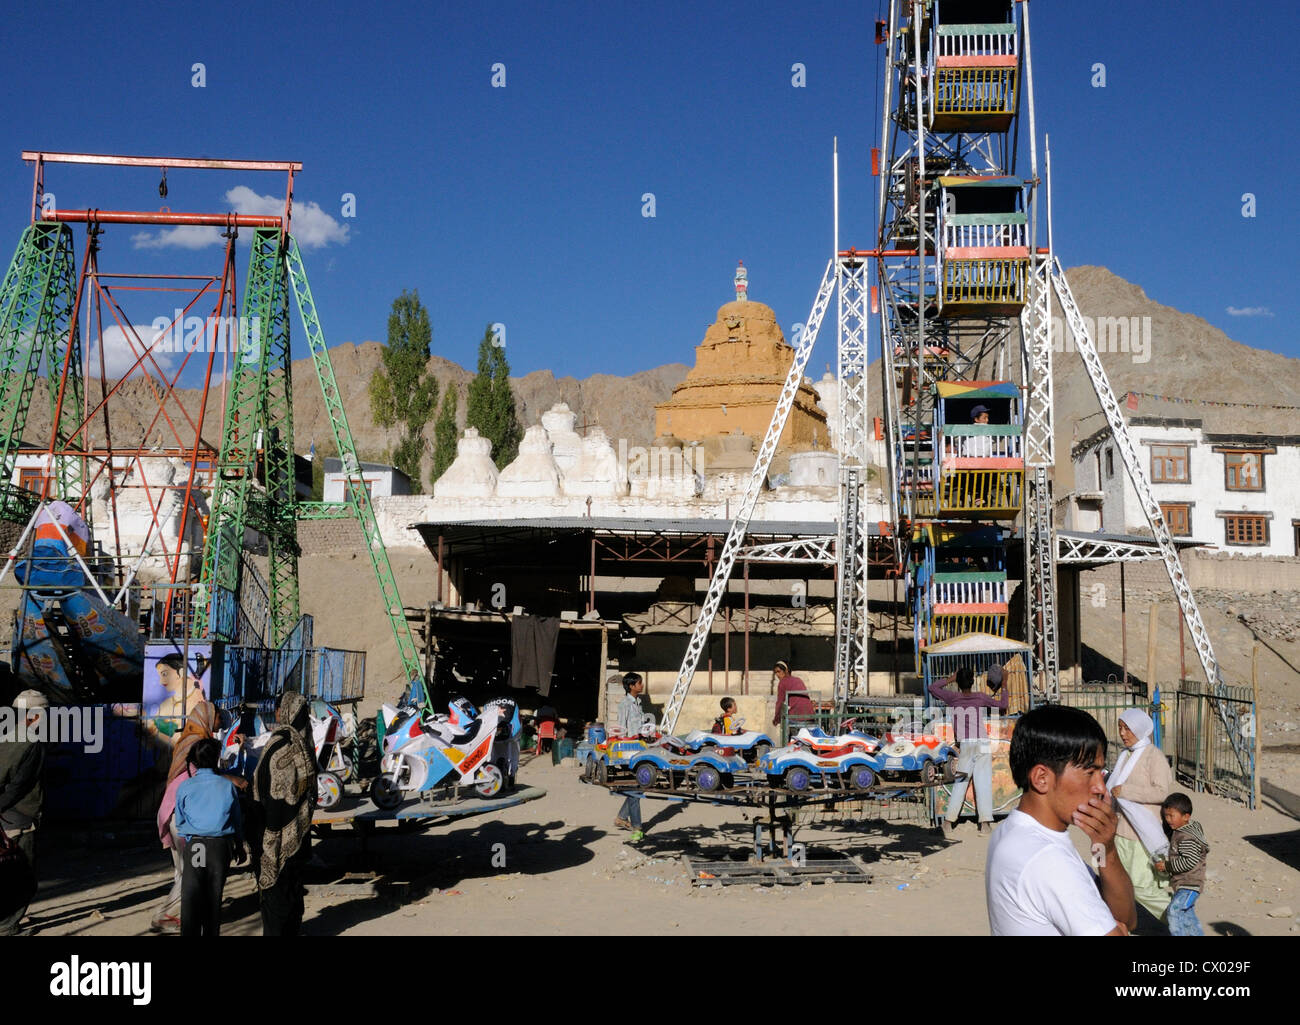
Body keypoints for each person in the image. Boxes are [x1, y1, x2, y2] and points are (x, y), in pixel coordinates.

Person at [986, 704, 1138, 936]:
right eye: (1090, 773)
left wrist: (1104, 849)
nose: (1100, 788)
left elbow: (1124, 917)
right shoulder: (1047, 859)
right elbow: (1120, 926)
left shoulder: (1011, 830)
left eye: (1101, 774)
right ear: (1042, 778)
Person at [248, 691, 317, 936]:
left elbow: (263, 790)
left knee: (275, 897)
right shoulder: (305, 747)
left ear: (285, 712)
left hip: (271, 836)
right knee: (292, 893)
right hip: (299, 836)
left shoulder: (276, 745)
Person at [151, 698, 220, 934]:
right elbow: (205, 777)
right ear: (208, 718)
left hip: (171, 809)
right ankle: (165, 915)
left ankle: (173, 913)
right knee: (190, 870)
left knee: (182, 870)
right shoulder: (201, 744)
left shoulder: (188, 739)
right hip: (180, 814)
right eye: (218, 717)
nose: (220, 721)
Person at [174, 738, 246, 937]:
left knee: (190, 897)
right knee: (213, 899)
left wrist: (190, 838)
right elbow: (236, 820)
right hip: (219, 847)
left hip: (195, 844)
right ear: (216, 759)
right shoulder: (226, 786)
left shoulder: (185, 787)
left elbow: (180, 822)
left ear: (194, 761)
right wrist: (239, 846)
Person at [1109, 707, 1174, 922]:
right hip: (1120, 832)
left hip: (1141, 834)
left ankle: (1180, 920)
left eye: (1127, 728)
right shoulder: (1125, 755)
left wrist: (1127, 792)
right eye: (1120, 728)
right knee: (1116, 884)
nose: (1123, 733)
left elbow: (1162, 792)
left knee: (1141, 886)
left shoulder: (1153, 756)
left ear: (1140, 729)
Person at [928, 664, 1009, 836]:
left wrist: (950, 678)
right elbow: (1003, 705)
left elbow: (932, 687)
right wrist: (1005, 684)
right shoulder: (980, 697)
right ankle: (985, 825)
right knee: (983, 783)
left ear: (958, 682)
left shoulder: (952, 698)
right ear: (973, 682)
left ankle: (949, 823)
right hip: (982, 744)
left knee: (960, 783)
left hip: (966, 745)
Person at [0, 690, 48, 935]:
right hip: (18, 819)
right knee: (22, 879)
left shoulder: (5, 737)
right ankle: (7, 928)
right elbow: (18, 785)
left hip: (7, 818)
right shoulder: (29, 742)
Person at [1155, 793, 1209, 937]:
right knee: (1187, 916)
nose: (1168, 820)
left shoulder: (1186, 837)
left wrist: (1167, 866)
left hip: (1190, 883)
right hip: (1186, 883)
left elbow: (1189, 861)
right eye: (1166, 816)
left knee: (1174, 911)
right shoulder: (1188, 829)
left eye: (1171, 816)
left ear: (1186, 816)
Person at [613, 673, 647, 844]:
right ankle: (637, 828)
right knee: (635, 789)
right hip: (629, 752)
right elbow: (621, 729)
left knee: (639, 787)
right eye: (640, 683)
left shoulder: (639, 703)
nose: (642, 685)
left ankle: (621, 817)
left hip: (640, 750)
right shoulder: (624, 704)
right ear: (632, 686)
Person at [771, 661, 815, 729]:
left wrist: (776, 719)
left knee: (791, 736)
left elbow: (780, 703)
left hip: (796, 718)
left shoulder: (782, 683)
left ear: (786, 670)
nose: (777, 675)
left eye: (779, 671)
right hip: (810, 716)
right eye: (775, 672)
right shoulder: (798, 680)